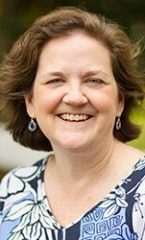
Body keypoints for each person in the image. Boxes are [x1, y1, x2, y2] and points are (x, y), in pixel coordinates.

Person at [0, 6, 145, 240]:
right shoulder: (13, 190)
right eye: (56, 80)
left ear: (120, 100)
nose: (75, 97)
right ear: (30, 102)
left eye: (94, 80)